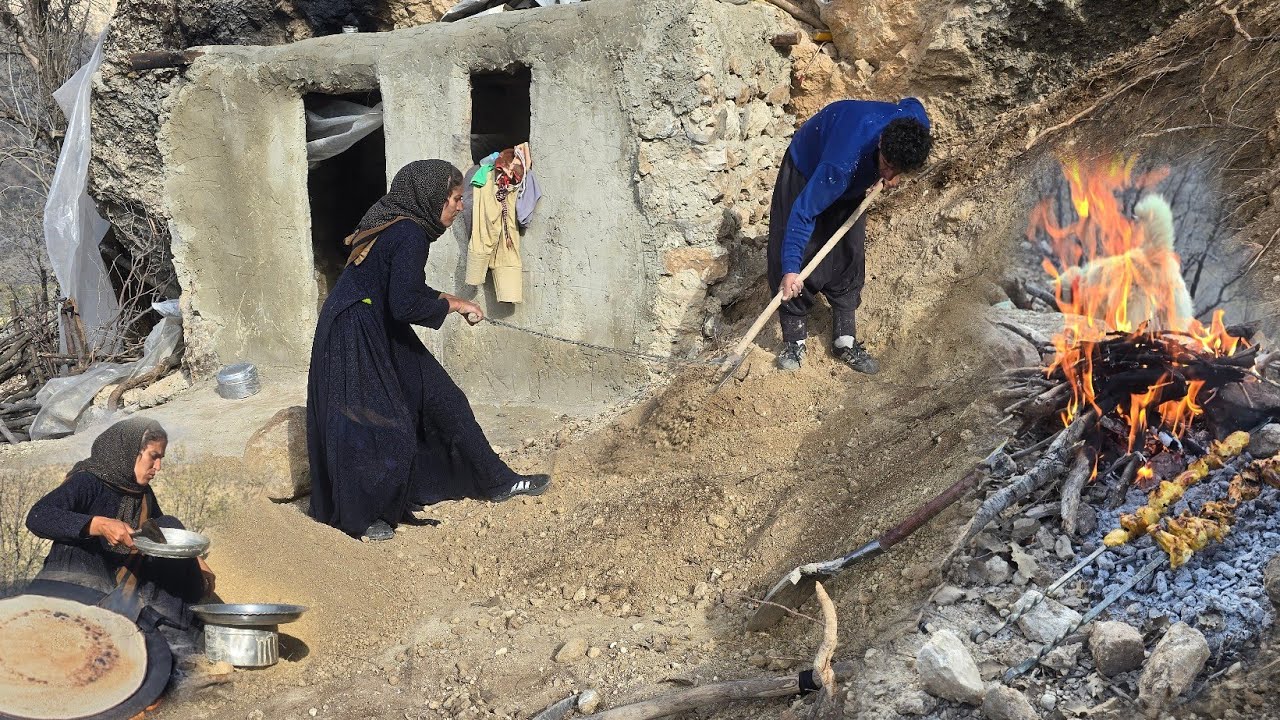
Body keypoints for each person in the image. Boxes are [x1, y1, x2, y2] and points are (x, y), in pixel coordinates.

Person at [307, 159, 551, 542]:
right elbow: (404, 304)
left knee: (442, 399)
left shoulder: (396, 221)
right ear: (431, 198)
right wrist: (453, 306)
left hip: (373, 321)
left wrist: (453, 299)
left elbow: (395, 291)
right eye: (455, 199)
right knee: (370, 420)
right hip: (356, 331)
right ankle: (363, 516)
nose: (461, 206)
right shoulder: (409, 235)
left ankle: (498, 481)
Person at [767, 98, 933, 374]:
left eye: (898, 169)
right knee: (802, 251)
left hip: (855, 169)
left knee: (850, 251)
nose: (889, 173)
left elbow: (913, 103)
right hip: (809, 167)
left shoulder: (912, 126)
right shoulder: (839, 166)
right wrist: (790, 269)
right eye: (887, 163)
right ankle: (794, 339)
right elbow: (803, 213)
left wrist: (891, 171)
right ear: (881, 141)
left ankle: (845, 340)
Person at [25, 417, 214, 633]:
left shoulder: (141, 493)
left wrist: (195, 560)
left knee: (170, 524)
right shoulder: (87, 481)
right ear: (131, 451)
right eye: (154, 457)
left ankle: (170, 633)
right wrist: (98, 525)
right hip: (86, 581)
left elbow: (163, 532)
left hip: (127, 585)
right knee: (73, 545)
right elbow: (38, 516)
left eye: (161, 459)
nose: (158, 467)